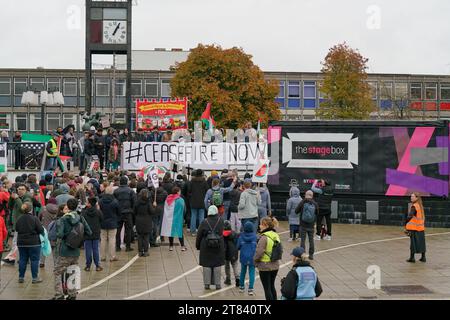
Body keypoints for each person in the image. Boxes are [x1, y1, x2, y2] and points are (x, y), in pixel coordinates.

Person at [52, 199, 92, 300]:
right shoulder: (80, 217)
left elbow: (60, 234)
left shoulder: (62, 219)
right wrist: (79, 239)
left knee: (58, 271)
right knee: (73, 271)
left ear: (67, 207)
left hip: (64, 250)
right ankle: (72, 294)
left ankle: (59, 294)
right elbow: (89, 232)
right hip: (76, 250)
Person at [196, 205, 225, 290]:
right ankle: (218, 284)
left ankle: (207, 284)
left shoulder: (204, 222)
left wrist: (198, 246)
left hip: (206, 245)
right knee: (217, 264)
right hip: (218, 245)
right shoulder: (221, 221)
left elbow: (199, 235)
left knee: (206, 264)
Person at [3, 184, 33, 265]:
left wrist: (16, 198)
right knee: (20, 242)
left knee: (16, 242)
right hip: (18, 223)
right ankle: (25, 258)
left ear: (26, 190)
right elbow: (9, 206)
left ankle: (11, 258)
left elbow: (23, 209)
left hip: (23, 224)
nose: (20, 190)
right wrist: (11, 198)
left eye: (22, 189)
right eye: (19, 189)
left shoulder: (27, 198)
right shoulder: (18, 198)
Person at [15, 202, 45, 283]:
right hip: (34, 243)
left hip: (21, 242)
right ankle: (35, 278)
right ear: (31, 209)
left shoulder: (19, 218)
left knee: (22, 259)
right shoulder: (35, 218)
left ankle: (21, 277)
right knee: (34, 260)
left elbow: (16, 229)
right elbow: (41, 230)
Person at [254, 216, 281, 300]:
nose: (259, 226)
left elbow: (259, 253)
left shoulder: (264, 237)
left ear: (265, 225)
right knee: (272, 286)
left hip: (265, 266)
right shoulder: (276, 235)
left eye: (261, 225)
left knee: (267, 289)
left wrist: (255, 261)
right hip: (275, 265)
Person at [114, 176, 136, 252]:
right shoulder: (131, 191)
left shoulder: (116, 191)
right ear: (127, 182)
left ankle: (117, 246)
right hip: (128, 212)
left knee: (118, 230)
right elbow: (134, 202)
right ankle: (128, 246)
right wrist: (132, 211)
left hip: (119, 212)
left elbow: (114, 202)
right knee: (128, 230)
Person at [161, 186, 187, 251]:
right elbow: (184, 210)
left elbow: (166, 208)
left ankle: (171, 246)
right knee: (179, 232)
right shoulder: (181, 200)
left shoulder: (168, 198)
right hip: (178, 218)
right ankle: (182, 246)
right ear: (178, 192)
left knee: (170, 232)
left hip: (170, 218)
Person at [81, 197, 103, 271]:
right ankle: (97, 265)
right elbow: (102, 219)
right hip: (96, 232)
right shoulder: (98, 211)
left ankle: (88, 266)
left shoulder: (84, 212)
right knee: (96, 249)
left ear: (89, 204)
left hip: (87, 233)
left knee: (88, 250)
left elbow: (82, 221)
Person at [99, 186, 120, 262]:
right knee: (112, 239)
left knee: (103, 240)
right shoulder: (115, 201)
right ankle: (112, 256)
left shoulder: (100, 201)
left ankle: (103, 256)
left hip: (102, 222)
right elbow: (118, 212)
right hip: (112, 222)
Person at [295, 190, 318, 260]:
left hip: (303, 225)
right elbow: (317, 213)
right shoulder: (315, 203)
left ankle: (303, 254)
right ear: (312, 196)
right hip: (311, 225)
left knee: (303, 240)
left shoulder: (302, 202)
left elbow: (296, 211)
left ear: (305, 195)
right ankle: (311, 255)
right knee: (311, 240)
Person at [237, 221, 257, 295]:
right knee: (252, 273)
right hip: (252, 257)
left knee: (242, 272)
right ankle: (250, 289)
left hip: (243, 257)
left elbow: (238, 247)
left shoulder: (241, 236)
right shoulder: (255, 236)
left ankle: (241, 287)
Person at [406, 192, 426, 263]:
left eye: (412, 196)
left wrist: (405, 221)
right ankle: (423, 257)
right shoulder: (420, 206)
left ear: (416, 198)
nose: (411, 198)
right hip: (421, 228)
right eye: (411, 196)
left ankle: (412, 258)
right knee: (422, 243)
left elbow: (410, 216)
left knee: (413, 243)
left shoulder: (414, 206)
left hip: (414, 228)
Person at [38, 197, 59, 268]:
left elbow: (39, 218)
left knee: (44, 246)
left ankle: (41, 262)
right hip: (54, 230)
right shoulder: (58, 210)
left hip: (44, 230)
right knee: (54, 248)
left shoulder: (43, 209)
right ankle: (56, 264)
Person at [134, 189, 155, 257]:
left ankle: (140, 252)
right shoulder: (148, 202)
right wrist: (154, 206)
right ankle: (146, 251)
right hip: (147, 221)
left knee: (139, 237)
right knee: (146, 237)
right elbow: (152, 212)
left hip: (139, 221)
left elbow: (134, 211)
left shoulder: (137, 202)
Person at [187, 169, 209, 236]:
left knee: (193, 216)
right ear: (202, 173)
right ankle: (201, 231)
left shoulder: (192, 181)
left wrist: (192, 196)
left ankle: (193, 231)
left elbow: (189, 191)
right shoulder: (204, 181)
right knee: (201, 217)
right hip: (202, 201)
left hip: (193, 201)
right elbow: (207, 190)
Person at [223, 220, 239, 287]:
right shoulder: (234, 233)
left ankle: (228, 279)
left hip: (226, 252)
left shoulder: (222, 234)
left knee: (227, 266)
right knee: (235, 265)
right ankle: (237, 278)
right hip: (234, 252)